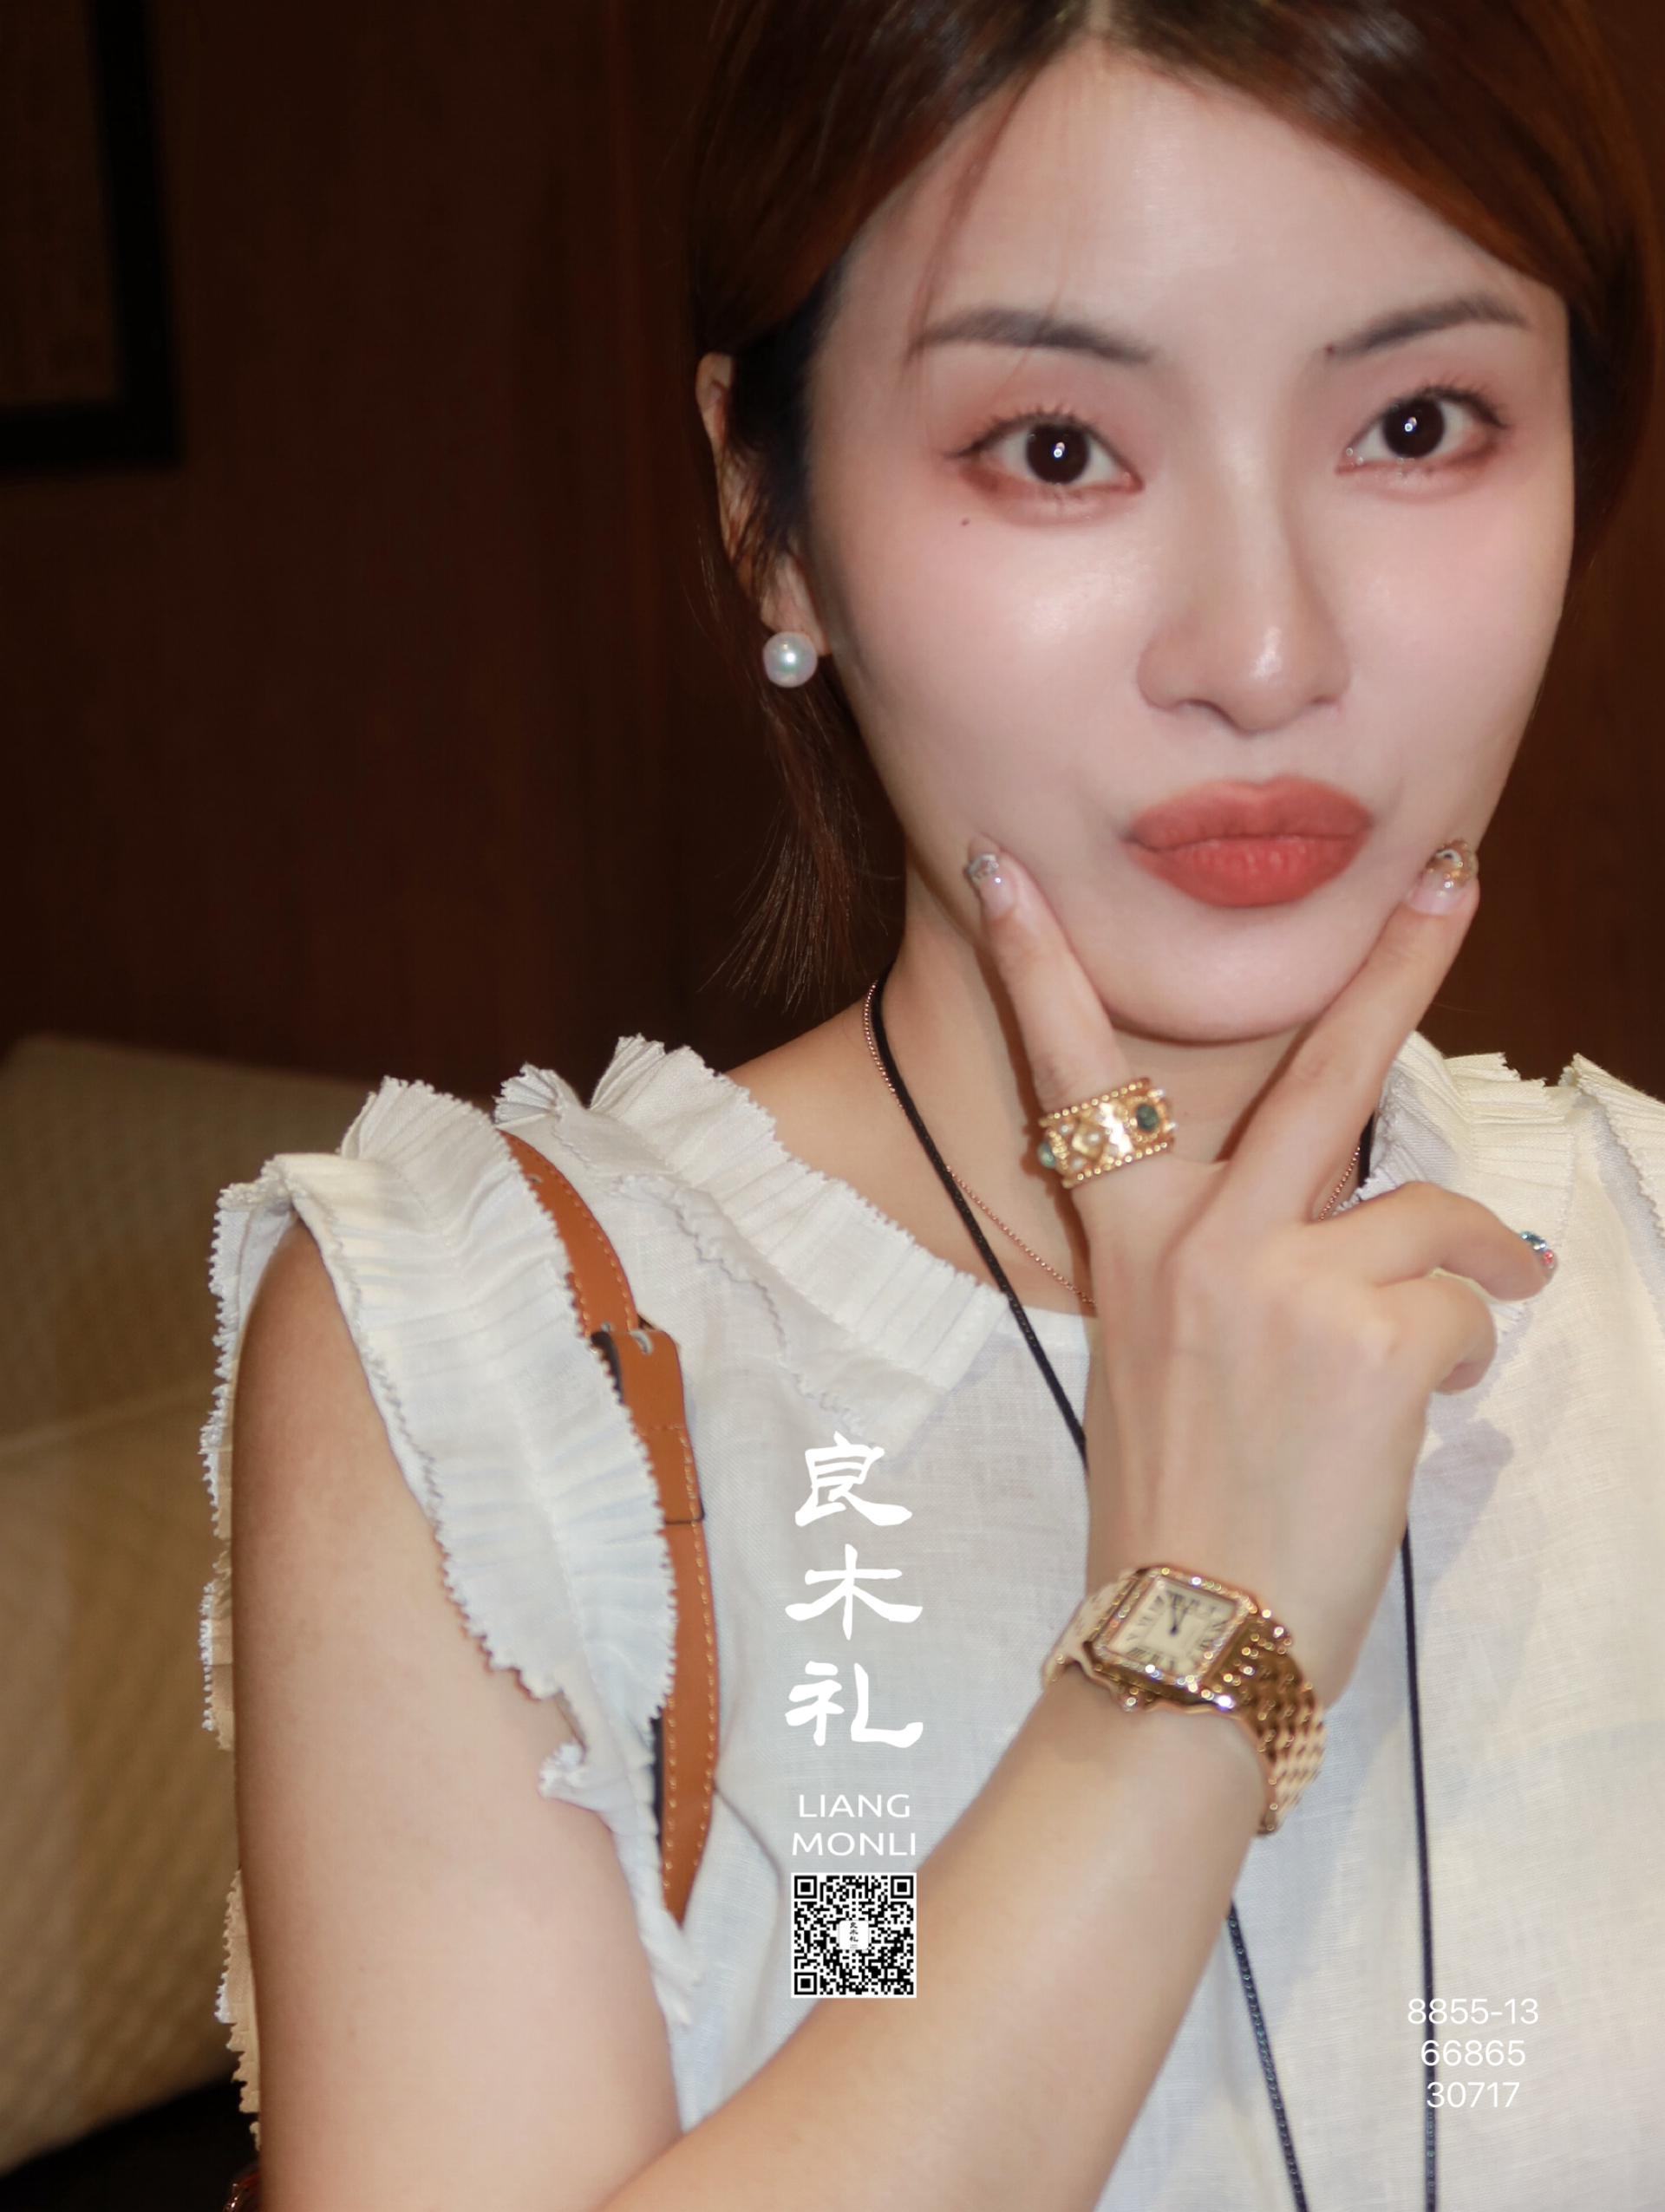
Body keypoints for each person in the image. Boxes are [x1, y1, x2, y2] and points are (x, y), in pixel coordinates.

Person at [210, 1, 1665, 2205]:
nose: (1263, 651)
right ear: (767, 509)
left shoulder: (1637, 1277)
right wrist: (1186, 1651)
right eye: (1059, 450)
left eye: (1416, 423)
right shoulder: (503, 1367)